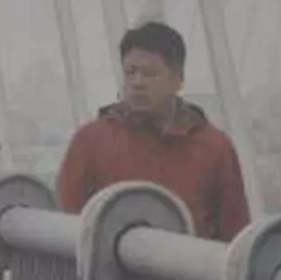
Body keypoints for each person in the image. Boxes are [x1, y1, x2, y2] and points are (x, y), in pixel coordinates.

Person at [55, 21, 250, 243]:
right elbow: (65, 225)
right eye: (130, 72)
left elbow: (235, 235)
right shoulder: (90, 142)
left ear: (177, 80)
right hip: (105, 275)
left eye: (149, 74)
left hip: (185, 272)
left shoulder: (214, 148)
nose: (138, 83)